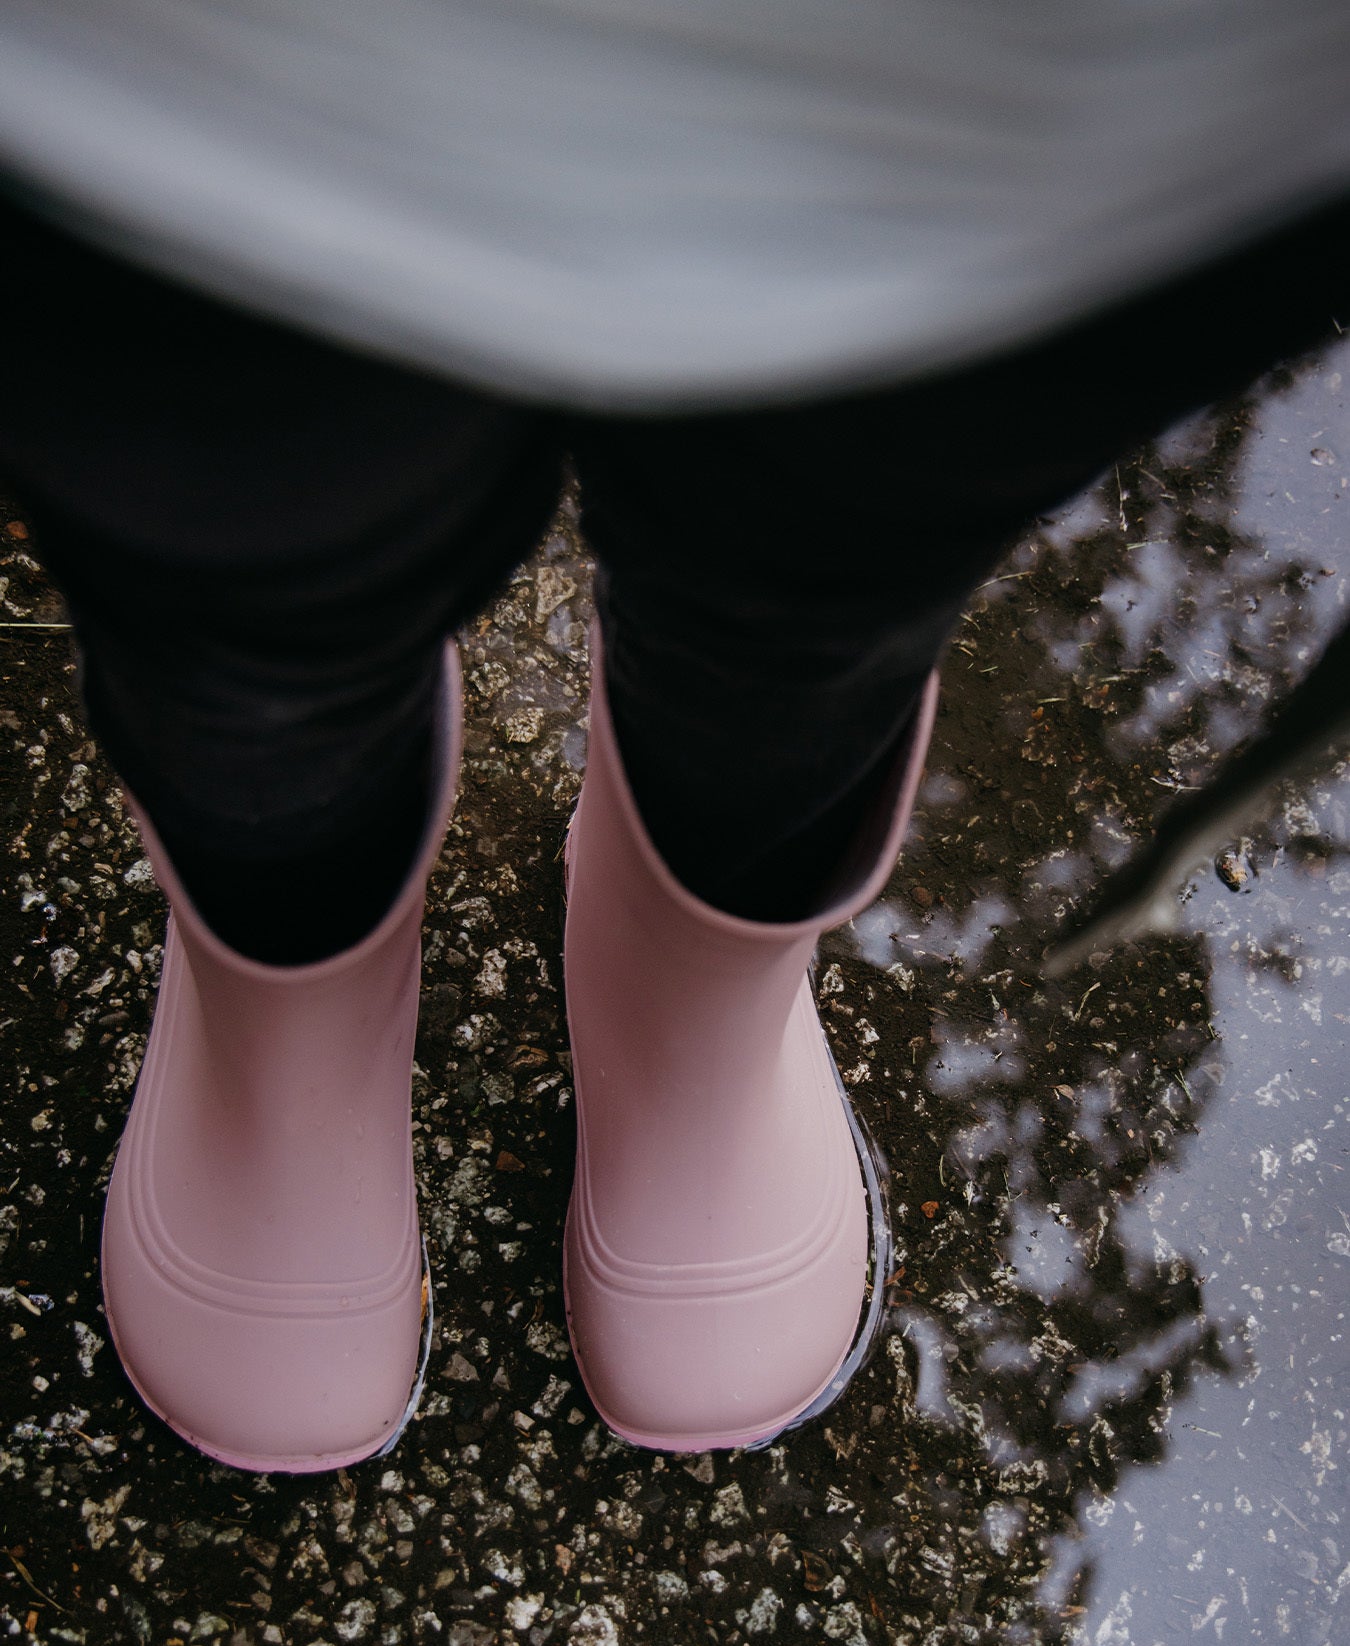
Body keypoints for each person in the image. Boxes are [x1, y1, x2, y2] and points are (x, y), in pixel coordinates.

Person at [0, 0, 1347, 1471]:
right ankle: (283, 995)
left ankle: (688, 981)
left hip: (1051, 108)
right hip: (179, 86)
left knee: (819, 588)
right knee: (244, 588)